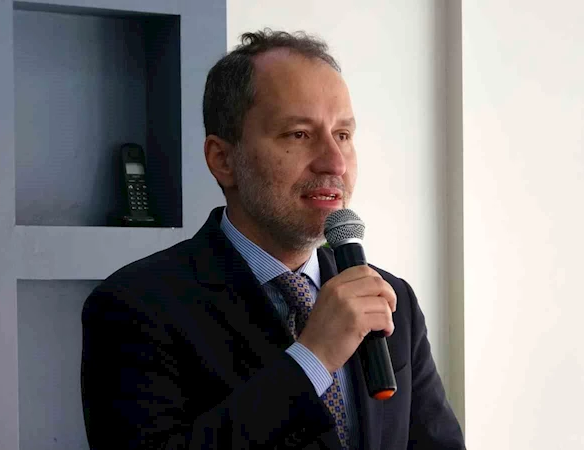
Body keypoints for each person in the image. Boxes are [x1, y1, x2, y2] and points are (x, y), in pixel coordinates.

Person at [80, 29, 465, 449]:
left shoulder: (392, 299)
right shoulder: (134, 306)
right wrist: (312, 359)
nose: (334, 162)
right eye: (299, 134)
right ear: (223, 159)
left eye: (343, 135)